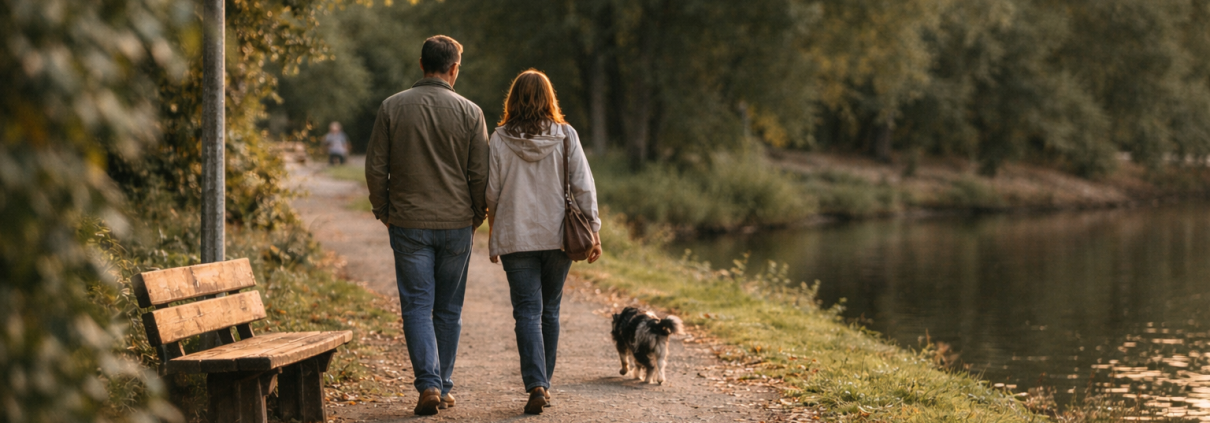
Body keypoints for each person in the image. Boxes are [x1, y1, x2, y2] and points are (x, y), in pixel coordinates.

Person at [364, 35, 488, 416]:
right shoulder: (471, 112)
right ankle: (442, 384)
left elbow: (375, 167)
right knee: (448, 309)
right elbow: (480, 174)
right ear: (454, 69)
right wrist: (476, 215)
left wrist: (384, 210)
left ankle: (430, 385)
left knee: (417, 306)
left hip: (409, 222)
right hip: (456, 225)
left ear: (421, 65)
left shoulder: (392, 107)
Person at [486, 69, 603, 415]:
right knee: (549, 311)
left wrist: (494, 232)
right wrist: (593, 231)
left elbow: (490, 191)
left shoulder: (499, 138)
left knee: (526, 312)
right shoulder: (567, 136)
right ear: (550, 98)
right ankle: (543, 385)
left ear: (513, 98)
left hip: (515, 237)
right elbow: (584, 186)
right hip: (558, 237)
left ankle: (536, 384)